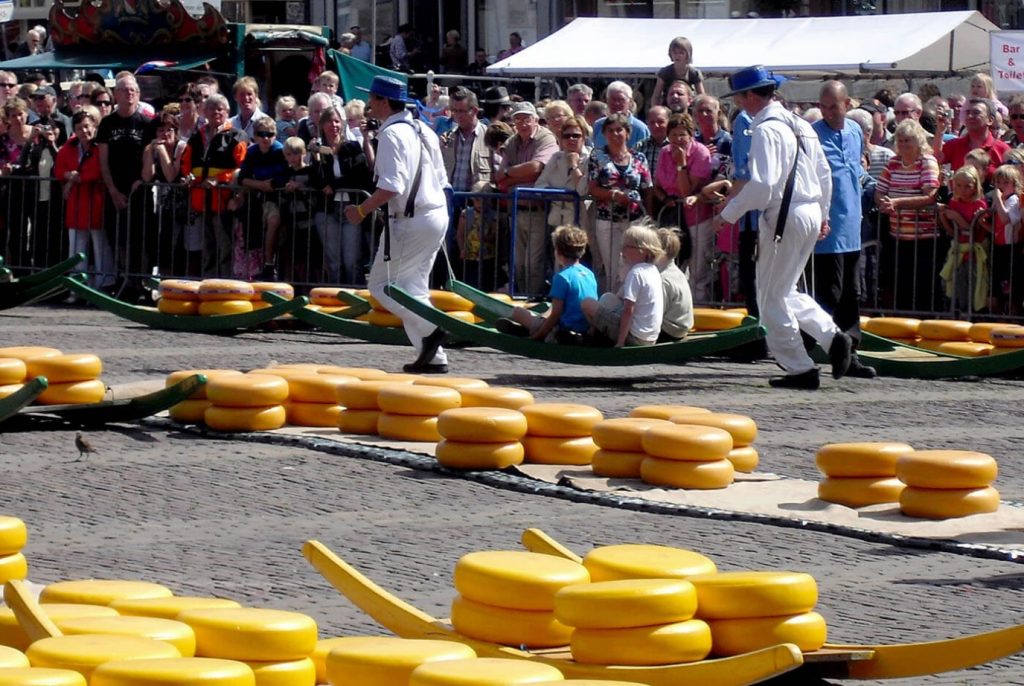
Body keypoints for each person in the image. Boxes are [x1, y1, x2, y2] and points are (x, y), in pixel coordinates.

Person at [714, 66, 852, 390]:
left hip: (783, 215)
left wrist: (728, 214)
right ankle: (833, 338)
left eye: (738, 96)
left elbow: (762, 185)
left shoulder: (766, 130)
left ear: (750, 96)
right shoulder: (801, 124)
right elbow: (824, 174)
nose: (738, 103)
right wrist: (823, 214)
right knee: (786, 291)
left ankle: (800, 367)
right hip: (807, 211)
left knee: (771, 297)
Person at [343, 76, 450, 374]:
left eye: (373, 99)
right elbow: (442, 179)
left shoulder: (391, 135)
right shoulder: (422, 129)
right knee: (414, 286)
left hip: (411, 219)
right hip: (435, 213)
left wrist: (362, 210)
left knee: (380, 286)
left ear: (384, 102)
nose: (369, 105)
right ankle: (434, 354)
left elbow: (391, 186)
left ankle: (432, 329)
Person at [810, 81, 875, 379]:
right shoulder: (814, 136)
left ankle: (851, 351)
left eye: (833, 106)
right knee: (830, 293)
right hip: (828, 226)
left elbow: (857, 171)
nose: (828, 112)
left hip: (852, 223)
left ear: (847, 104)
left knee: (853, 291)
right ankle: (824, 346)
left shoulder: (855, 132)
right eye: (823, 106)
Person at [874, 119, 941, 313]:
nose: (903, 144)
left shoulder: (927, 162)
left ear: (918, 141)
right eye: (900, 140)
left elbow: (930, 195)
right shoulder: (893, 162)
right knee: (901, 282)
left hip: (924, 236)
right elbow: (879, 190)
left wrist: (897, 203)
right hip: (898, 234)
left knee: (924, 283)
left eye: (908, 140)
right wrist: (884, 202)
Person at [180, 93, 247, 277]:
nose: (216, 112)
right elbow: (187, 163)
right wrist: (190, 178)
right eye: (211, 108)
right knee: (207, 247)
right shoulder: (197, 136)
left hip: (224, 201)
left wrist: (219, 180)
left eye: (220, 109)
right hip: (201, 201)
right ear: (204, 112)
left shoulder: (237, 136)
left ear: (227, 112)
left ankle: (224, 283)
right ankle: (208, 283)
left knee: (225, 247)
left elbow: (241, 168)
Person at [97, 74, 151, 298]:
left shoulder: (146, 123)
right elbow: (103, 160)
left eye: (133, 90)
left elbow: (150, 157)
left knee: (140, 238)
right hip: (114, 189)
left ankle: (140, 282)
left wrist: (142, 180)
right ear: (115, 94)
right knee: (117, 238)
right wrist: (112, 190)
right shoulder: (108, 123)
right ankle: (123, 281)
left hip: (139, 190)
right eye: (124, 90)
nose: (129, 94)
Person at [495, 101, 558, 295]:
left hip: (537, 209)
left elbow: (537, 168)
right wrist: (516, 174)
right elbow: (498, 176)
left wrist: (510, 173)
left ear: (536, 119)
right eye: (518, 119)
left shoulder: (545, 137)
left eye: (526, 119)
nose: (522, 123)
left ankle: (533, 301)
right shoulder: (513, 141)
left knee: (534, 262)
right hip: (516, 209)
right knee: (518, 263)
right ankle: (520, 298)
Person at [496, 225, 597, 342]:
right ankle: (526, 329)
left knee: (517, 312)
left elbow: (556, 314)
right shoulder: (589, 273)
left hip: (562, 328)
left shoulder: (562, 277)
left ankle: (533, 332)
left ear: (558, 251)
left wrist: (538, 336)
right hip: (584, 327)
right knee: (547, 310)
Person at [589, 112, 652, 292]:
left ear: (628, 133)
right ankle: (614, 306)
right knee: (613, 268)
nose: (615, 134)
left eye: (619, 130)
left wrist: (650, 217)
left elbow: (648, 188)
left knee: (634, 265)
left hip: (635, 219)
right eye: (610, 130)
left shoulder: (639, 158)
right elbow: (593, 188)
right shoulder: (598, 157)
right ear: (605, 133)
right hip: (607, 218)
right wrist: (614, 196)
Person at [310, 108, 372, 284]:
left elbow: (360, 175)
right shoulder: (319, 150)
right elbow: (316, 181)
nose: (334, 125)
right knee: (334, 262)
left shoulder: (352, 147)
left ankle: (356, 296)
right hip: (327, 210)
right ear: (322, 125)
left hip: (350, 208)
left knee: (351, 260)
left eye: (337, 121)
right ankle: (335, 296)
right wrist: (314, 156)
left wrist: (334, 185)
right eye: (330, 121)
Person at [55, 106, 113, 294]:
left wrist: (74, 179)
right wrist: (69, 175)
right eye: (79, 128)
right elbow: (59, 168)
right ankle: (77, 287)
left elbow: (98, 169)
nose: (84, 131)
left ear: (94, 126)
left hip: (95, 201)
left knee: (99, 245)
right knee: (76, 248)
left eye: (87, 127)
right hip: (76, 204)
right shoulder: (69, 146)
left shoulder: (99, 147)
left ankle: (103, 286)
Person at [654, 113, 712, 300]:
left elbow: (687, 191)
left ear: (691, 135)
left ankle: (698, 306)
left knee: (697, 268)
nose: (678, 139)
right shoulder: (664, 152)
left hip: (696, 216)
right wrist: (664, 198)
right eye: (673, 135)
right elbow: (657, 185)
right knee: (669, 263)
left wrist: (681, 164)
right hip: (671, 214)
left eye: (682, 135)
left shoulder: (701, 152)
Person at [581, 223, 664, 347]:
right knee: (608, 298)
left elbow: (628, 310)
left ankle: (595, 338)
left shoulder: (636, 273)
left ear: (643, 250)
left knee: (586, 303)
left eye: (627, 246)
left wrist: (620, 342)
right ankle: (598, 334)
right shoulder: (653, 270)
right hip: (649, 337)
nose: (622, 250)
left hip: (635, 337)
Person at [238, 117, 289, 281]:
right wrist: (260, 185)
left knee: (273, 220)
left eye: (270, 134)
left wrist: (272, 184)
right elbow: (242, 178)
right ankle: (253, 269)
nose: (266, 138)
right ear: (255, 136)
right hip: (258, 198)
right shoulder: (252, 152)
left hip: (278, 199)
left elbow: (286, 176)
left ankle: (268, 264)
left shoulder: (281, 151)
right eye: (261, 134)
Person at [141, 111, 188, 276]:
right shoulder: (152, 148)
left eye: (170, 130)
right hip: (161, 205)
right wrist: (149, 152)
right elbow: (147, 176)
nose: (165, 134)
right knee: (160, 245)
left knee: (176, 246)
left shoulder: (181, 147)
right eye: (161, 130)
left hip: (181, 205)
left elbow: (170, 176)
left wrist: (161, 151)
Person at [938, 165, 988, 313]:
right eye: (958, 185)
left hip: (974, 252)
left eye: (967, 186)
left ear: (975, 187)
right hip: (957, 249)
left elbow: (973, 232)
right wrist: (943, 217)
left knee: (972, 283)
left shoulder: (980, 204)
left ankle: (971, 313)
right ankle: (956, 311)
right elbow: (951, 232)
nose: (962, 189)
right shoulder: (953, 202)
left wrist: (957, 218)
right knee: (953, 283)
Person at [935, 98, 1010, 179]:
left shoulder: (1002, 150)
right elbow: (937, 159)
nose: (970, 116)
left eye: (976, 113)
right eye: (967, 113)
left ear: (990, 120)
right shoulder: (955, 145)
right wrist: (940, 130)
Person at [988, 164, 1023, 315]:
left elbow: (1005, 219)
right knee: (998, 284)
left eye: (1005, 183)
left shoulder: (1013, 200)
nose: (1001, 186)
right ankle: (999, 314)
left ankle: (1013, 315)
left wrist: (997, 198)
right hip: (999, 246)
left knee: (1011, 285)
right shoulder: (1001, 200)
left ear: (1014, 185)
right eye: (998, 182)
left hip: (1011, 248)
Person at [656, 227, 693, 341]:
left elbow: (656, 313)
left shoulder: (662, 279)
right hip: (681, 327)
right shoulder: (677, 272)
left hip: (669, 330)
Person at [592, 82, 650, 150]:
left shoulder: (640, 129)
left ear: (630, 102)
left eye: (621, 100)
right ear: (607, 100)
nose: (616, 103)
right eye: (613, 99)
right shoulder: (598, 125)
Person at [651, 36, 705, 109]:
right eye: (675, 53)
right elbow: (656, 96)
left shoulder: (694, 73)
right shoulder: (665, 72)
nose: (677, 56)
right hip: (668, 108)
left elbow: (701, 96)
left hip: (688, 108)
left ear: (688, 54)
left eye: (681, 53)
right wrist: (656, 110)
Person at [229, 76, 267, 142]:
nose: (246, 98)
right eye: (242, 94)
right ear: (235, 97)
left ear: (256, 96)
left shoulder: (266, 122)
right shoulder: (230, 123)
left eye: (249, 94)